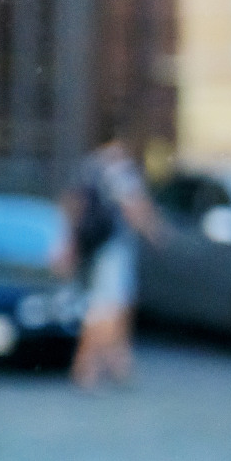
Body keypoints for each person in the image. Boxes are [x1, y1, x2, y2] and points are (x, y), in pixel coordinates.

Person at [60, 135, 162, 389]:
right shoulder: (118, 168)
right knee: (106, 308)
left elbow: (72, 204)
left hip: (99, 248)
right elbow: (134, 206)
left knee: (113, 307)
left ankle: (117, 364)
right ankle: (87, 370)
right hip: (113, 249)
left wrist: (70, 243)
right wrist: (154, 231)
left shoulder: (91, 166)